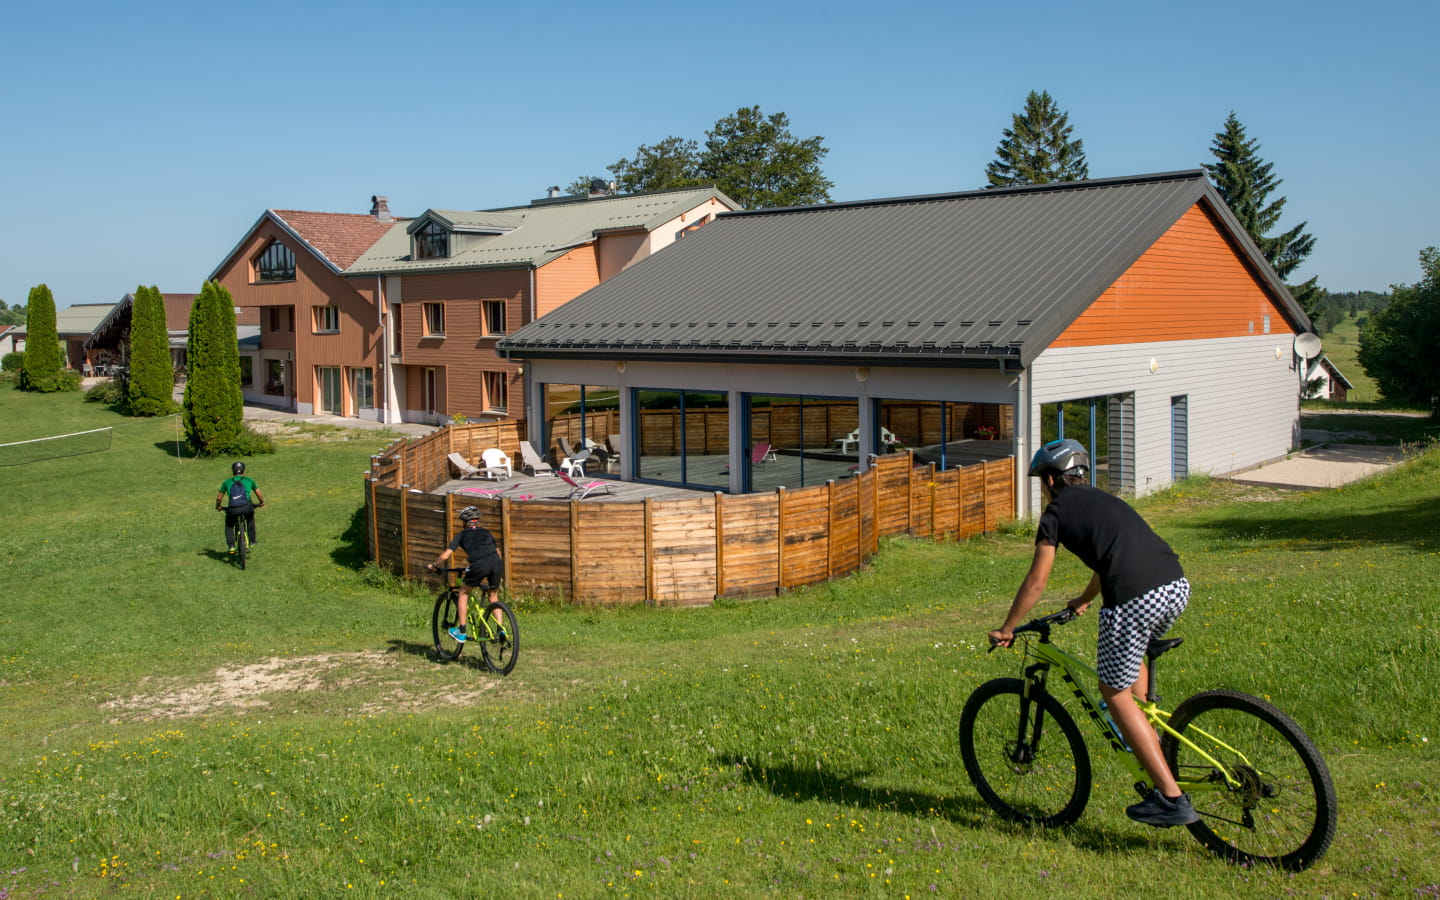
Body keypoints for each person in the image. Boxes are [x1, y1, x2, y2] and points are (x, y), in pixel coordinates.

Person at [988, 438, 1197, 828]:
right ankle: (1148, 748)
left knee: (1112, 693)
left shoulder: (1055, 513)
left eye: (1041, 482)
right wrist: (1084, 599)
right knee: (1129, 680)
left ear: (1051, 479)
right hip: (1175, 585)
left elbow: (1037, 580)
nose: (1043, 490)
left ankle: (1171, 798)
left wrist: (1008, 627)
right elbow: (1114, 554)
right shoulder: (1105, 500)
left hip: (1135, 597)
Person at [427, 506, 504, 643]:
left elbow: (446, 555)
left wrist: (434, 566)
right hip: (496, 563)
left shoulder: (461, 535)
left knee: (463, 593)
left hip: (480, 564)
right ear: (477, 521)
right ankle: (501, 629)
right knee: (493, 595)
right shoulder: (487, 533)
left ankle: (461, 632)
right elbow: (498, 552)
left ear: (464, 522)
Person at [216, 461, 265, 555]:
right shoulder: (249, 480)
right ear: (244, 470)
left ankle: (231, 546)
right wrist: (261, 502)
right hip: (247, 507)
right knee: (250, 519)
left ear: (232, 471)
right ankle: (252, 541)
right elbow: (259, 494)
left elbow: (219, 498)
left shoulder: (227, 482)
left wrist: (218, 506)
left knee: (229, 525)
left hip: (233, 509)